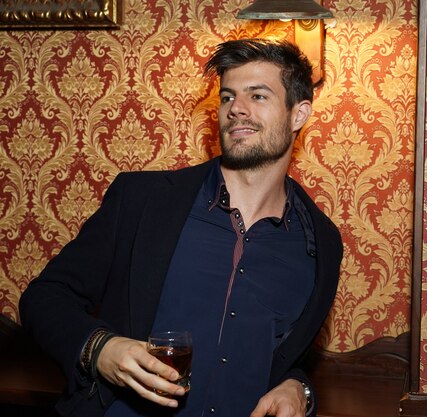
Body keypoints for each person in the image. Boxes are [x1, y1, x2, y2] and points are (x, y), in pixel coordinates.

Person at [19, 38, 343, 417]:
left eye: (257, 96)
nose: (236, 109)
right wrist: (99, 349)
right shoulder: (143, 201)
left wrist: (299, 389)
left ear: (298, 114)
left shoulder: (320, 243)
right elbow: (44, 298)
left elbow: (285, 356)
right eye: (227, 97)